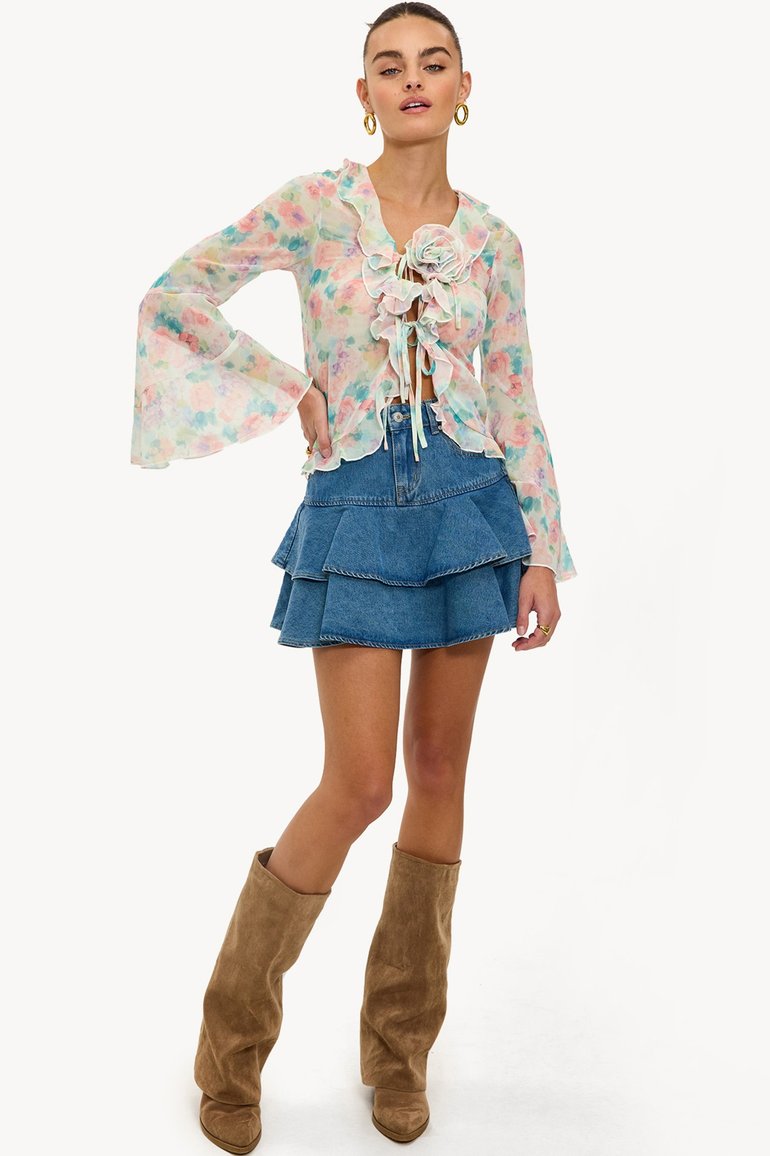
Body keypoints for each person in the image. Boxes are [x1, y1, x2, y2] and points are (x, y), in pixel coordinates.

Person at [131, 3, 578, 1151]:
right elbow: (176, 293)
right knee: (356, 782)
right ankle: (230, 1044)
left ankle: (398, 1049)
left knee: (437, 772)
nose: (411, 79)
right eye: (389, 64)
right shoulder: (315, 206)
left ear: (464, 87)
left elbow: (513, 393)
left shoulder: (492, 241)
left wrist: (540, 546)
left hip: (471, 508)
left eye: (432, 63)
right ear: (364, 92)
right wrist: (290, 385)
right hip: (355, 508)